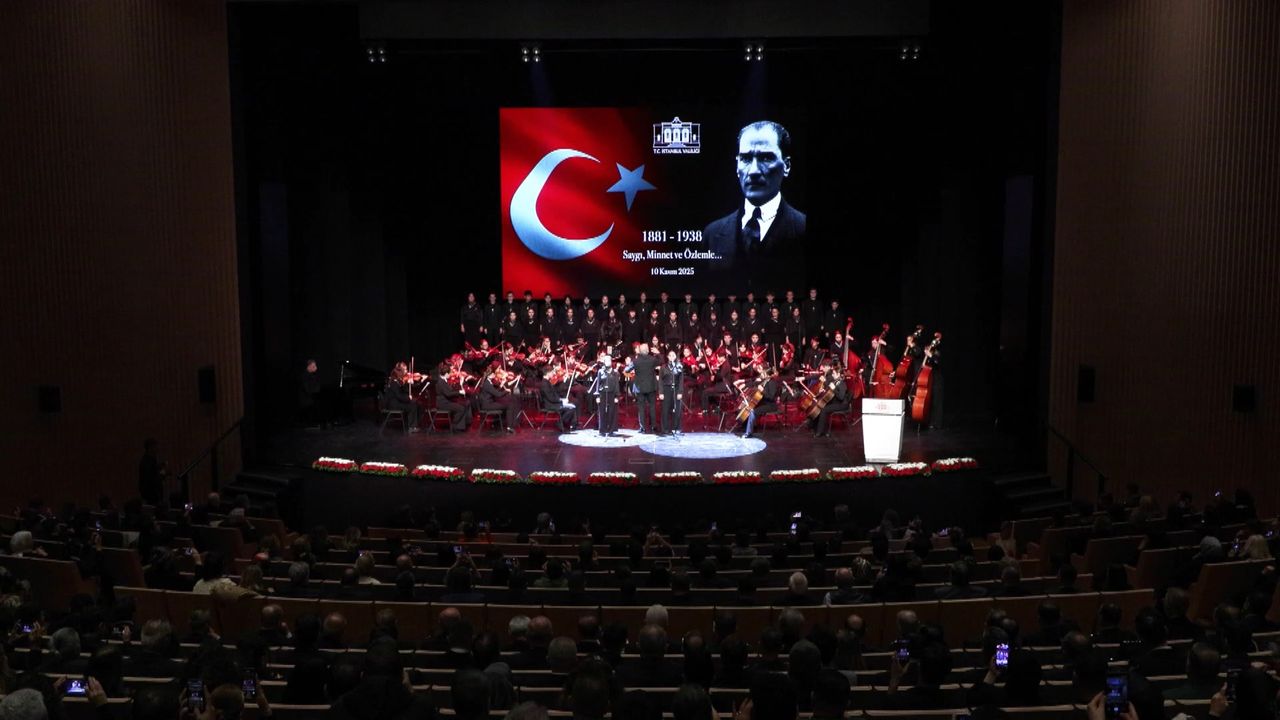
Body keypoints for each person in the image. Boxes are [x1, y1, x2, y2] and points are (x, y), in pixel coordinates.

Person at [702, 122, 805, 288]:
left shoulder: (803, 229)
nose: (753, 171)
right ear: (737, 166)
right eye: (745, 159)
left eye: (766, 158)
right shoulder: (712, 234)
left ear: (786, 166)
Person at [738, 364, 779, 439]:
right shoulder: (764, 381)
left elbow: (771, 397)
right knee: (749, 407)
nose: (761, 374)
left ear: (767, 374)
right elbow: (754, 385)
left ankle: (748, 433)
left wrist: (763, 391)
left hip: (770, 405)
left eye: (763, 373)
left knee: (753, 411)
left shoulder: (772, 383)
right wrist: (746, 392)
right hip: (764, 403)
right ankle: (745, 426)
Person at [627, 344, 659, 433]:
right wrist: (658, 353)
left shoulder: (635, 361)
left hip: (639, 387)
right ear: (648, 350)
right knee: (652, 407)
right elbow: (661, 361)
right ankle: (653, 426)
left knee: (641, 408)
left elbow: (626, 370)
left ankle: (643, 428)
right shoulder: (652, 359)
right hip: (651, 386)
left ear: (640, 351)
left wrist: (633, 373)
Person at [813, 361, 850, 437]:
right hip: (837, 402)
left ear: (838, 374)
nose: (832, 375)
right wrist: (824, 390)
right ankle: (819, 427)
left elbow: (841, 397)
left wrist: (834, 389)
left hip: (843, 404)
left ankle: (819, 432)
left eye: (834, 374)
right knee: (823, 406)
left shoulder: (842, 383)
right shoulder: (836, 381)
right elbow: (831, 391)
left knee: (824, 409)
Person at [383, 361, 421, 432]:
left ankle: (413, 425)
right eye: (405, 369)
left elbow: (403, 391)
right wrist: (408, 398)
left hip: (397, 402)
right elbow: (399, 395)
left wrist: (408, 383)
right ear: (400, 371)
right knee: (412, 406)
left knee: (416, 404)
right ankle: (411, 427)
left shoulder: (399, 380)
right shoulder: (394, 381)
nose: (407, 371)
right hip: (393, 404)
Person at [434, 362, 472, 431]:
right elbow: (448, 394)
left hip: (447, 402)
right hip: (443, 404)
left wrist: (460, 386)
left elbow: (450, 391)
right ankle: (454, 425)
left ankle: (460, 426)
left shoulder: (444, 380)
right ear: (446, 374)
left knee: (464, 405)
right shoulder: (440, 382)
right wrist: (459, 392)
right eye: (450, 373)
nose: (451, 375)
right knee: (461, 408)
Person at [479, 366, 518, 433]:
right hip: (488, 405)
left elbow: (495, 392)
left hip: (488, 403)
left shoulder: (487, 382)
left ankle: (503, 424)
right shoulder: (487, 384)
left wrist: (501, 385)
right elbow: (498, 394)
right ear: (490, 375)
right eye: (494, 374)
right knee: (509, 405)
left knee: (507, 403)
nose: (495, 375)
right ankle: (509, 427)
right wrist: (506, 391)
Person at [658, 349, 684, 435]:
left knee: (677, 409)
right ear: (668, 357)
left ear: (675, 357)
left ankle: (676, 427)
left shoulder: (679, 366)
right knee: (665, 409)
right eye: (670, 355)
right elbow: (660, 381)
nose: (672, 357)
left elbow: (681, 380)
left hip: (676, 389)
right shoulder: (663, 367)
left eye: (673, 355)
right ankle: (665, 429)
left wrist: (680, 392)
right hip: (666, 389)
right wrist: (661, 392)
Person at [594, 354, 621, 436]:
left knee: (611, 412)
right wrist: (597, 396)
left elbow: (616, 385)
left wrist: (617, 396)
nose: (607, 362)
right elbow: (598, 384)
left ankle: (611, 430)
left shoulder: (615, 372)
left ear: (611, 362)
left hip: (612, 394)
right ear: (604, 362)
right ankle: (602, 430)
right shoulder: (600, 371)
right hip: (602, 394)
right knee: (602, 412)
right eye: (606, 361)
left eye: (609, 361)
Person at [137, 438, 167, 506]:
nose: (157, 449)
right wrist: (163, 473)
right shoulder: (147, 461)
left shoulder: (150, 460)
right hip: (151, 492)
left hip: (151, 491)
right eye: (155, 446)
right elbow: (151, 477)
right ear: (150, 447)